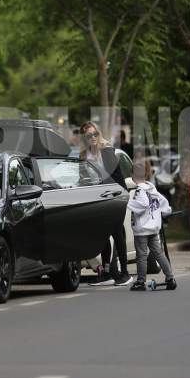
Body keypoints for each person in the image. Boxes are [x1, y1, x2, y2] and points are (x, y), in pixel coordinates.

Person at [80, 121, 133, 286]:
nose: (93, 137)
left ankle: (125, 273)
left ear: (99, 133)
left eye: (95, 134)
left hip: (117, 196)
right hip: (100, 198)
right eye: (89, 135)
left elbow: (109, 177)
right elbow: (83, 177)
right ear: (85, 138)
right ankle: (107, 273)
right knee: (102, 235)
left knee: (117, 232)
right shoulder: (84, 155)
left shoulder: (107, 151)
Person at [128, 159, 177, 291]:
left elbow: (142, 204)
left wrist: (127, 203)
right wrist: (167, 211)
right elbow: (163, 201)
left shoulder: (139, 190)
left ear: (133, 175)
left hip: (142, 229)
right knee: (159, 253)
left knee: (142, 256)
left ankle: (140, 281)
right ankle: (170, 277)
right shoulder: (151, 187)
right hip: (154, 228)